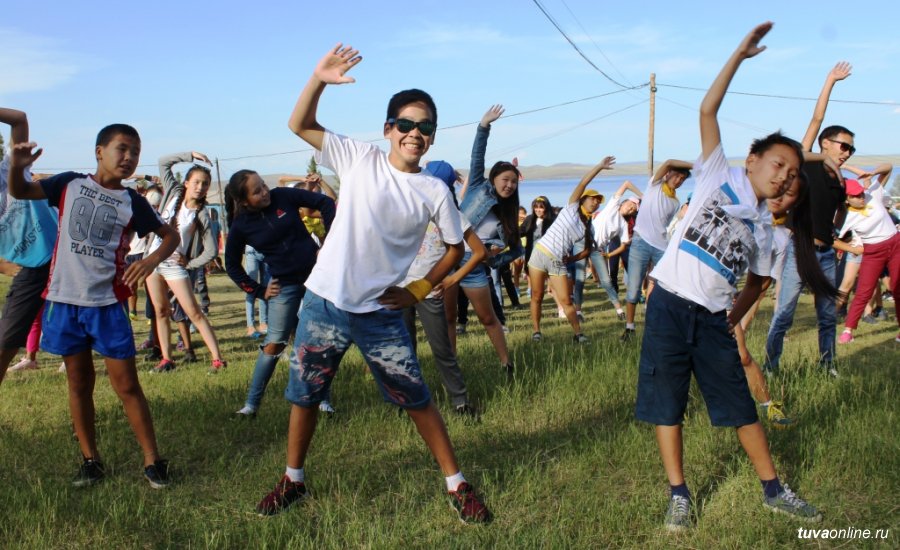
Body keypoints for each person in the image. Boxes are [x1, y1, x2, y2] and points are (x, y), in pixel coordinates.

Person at [253, 44, 490, 523]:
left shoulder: (435, 189)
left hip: (381, 313)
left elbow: (455, 249)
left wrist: (419, 290)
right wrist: (318, 78)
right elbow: (300, 124)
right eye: (406, 125)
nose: (415, 134)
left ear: (432, 137)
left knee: (417, 398)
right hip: (324, 302)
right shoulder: (360, 159)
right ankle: (292, 479)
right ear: (388, 130)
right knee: (305, 394)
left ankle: (456, 485)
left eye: (425, 128)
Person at [635, 22, 834, 531]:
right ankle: (678, 492)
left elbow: (757, 284)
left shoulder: (772, 232)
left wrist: (732, 321)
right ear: (753, 160)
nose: (785, 176)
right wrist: (738, 56)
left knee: (739, 404)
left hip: (711, 320)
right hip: (669, 305)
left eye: (792, 175)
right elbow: (707, 110)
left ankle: (773, 488)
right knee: (668, 402)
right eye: (778, 165)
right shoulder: (718, 171)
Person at [8, 123, 178, 488]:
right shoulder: (68, 184)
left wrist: (149, 262)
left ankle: (152, 460)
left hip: (106, 304)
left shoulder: (132, 201)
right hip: (64, 301)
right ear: (99, 151)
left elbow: (170, 235)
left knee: (127, 385)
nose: (129, 157)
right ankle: (90, 460)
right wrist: (14, 164)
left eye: (135, 151)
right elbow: (21, 190)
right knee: (79, 382)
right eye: (122, 148)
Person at [764, 61, 853, 377]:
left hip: (826, 252)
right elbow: (817, 118)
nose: (846, 152)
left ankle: (827, 364)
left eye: (851, 150)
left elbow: (840, 210)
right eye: (843, 146)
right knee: (784, 314)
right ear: (825, 144)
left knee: (827, 315)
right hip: (799, 250)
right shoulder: (804, 164)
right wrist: (830, 80)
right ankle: (771, 366)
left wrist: (836, 228)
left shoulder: (838, 179)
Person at [224, 168, 335, 417]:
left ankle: (322, 400)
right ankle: (251, 405)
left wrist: (328, 243)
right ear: (243, 201)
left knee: (317, 340)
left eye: (263, 185)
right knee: (274, 344)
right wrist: (259, 290)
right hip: (284, 286)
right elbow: (231, 264)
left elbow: (326, 203)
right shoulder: (241, 226)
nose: (265, 192)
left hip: (315, 279)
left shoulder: (283, 196)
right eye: (257, 191)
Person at [401, 160, 487, 417]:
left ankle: (460, 401)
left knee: (442, 350)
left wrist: (452, 279)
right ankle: (406, 402)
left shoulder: (450, 212)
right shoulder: (405, 207)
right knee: (404, 349)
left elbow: (479, 251)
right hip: (398, 289)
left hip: (428, 290)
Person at [443, 104, 522, 373]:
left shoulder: (509, 214)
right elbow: (478, 155)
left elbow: (518, 250)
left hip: (475, 265)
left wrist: (493, 259)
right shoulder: (478, 186)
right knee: (449, 317)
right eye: (505, 179)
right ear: (495, 177)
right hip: (449, 255)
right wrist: (484, 126)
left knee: (488, 317)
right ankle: (453, 365)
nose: (509, 185)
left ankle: (506, 363)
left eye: (513, 182)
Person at [144, 152, 226, 374]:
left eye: (205, 184)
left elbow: (211, 250)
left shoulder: (201, 214)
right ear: (187, 182)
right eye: (197, 182)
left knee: (194, 312)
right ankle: (167, 359)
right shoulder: (173, 192)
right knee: (161, 311)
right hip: (152, 262)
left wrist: (189, 263)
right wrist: (190, 155)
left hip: (173, 265)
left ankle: (217, 359)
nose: (200, 187)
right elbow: (163, 162)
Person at [528, 156, 615, 343]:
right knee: (537, 295)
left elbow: (587, 251)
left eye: (598, 201)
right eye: (592, 199)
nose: (595, 203)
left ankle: (578, 334)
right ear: (583, 200)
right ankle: (536, 331)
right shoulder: (571, 208)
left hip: (558, 261)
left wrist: (572, 259)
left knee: (566, 300)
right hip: (540, 253)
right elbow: (584, 182)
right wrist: (599, 166)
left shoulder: (587, 226)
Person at [0, 108, 58, 385]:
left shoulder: (7, 170)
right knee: (7, 340)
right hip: (30, 269)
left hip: (62, 254)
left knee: (76, 324)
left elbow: (19, 119)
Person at [622, 160, 692, 338]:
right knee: (634, 286)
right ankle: (629, 327)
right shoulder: (655, 185)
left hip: (661, 246)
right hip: (640, 242)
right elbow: (669, 162)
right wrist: (697, 165)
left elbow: (664, 225)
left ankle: (655, 319)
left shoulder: (675, 202)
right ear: (669, 174)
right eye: (677, 176)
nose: (678, 180)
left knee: (664, 284)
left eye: (683, 179)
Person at [833, 171, 898, 343]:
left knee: (897, 287)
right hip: (872, 252)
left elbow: (888, 167)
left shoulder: (871, 195)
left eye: (861, 193)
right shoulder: (846, 217)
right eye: (856, 195)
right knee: (863, 291)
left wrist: (873, 172)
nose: (861, 197)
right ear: (847, 199)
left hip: (895, 245)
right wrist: (851, 247)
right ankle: (848, 331)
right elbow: (829, 237)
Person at [575, 180, 641, 324]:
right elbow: (627, 184)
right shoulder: (612, 206)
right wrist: (642, 196)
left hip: (597, 250)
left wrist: (609, 254)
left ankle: (619, 311)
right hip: (583, 243)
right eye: (630, 205)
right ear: (623, 203)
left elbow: (623, 246)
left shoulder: (623, 224)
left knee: (607, 281)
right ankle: (578, 312)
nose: (630, 209)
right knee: (580, 280)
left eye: (633, 210)